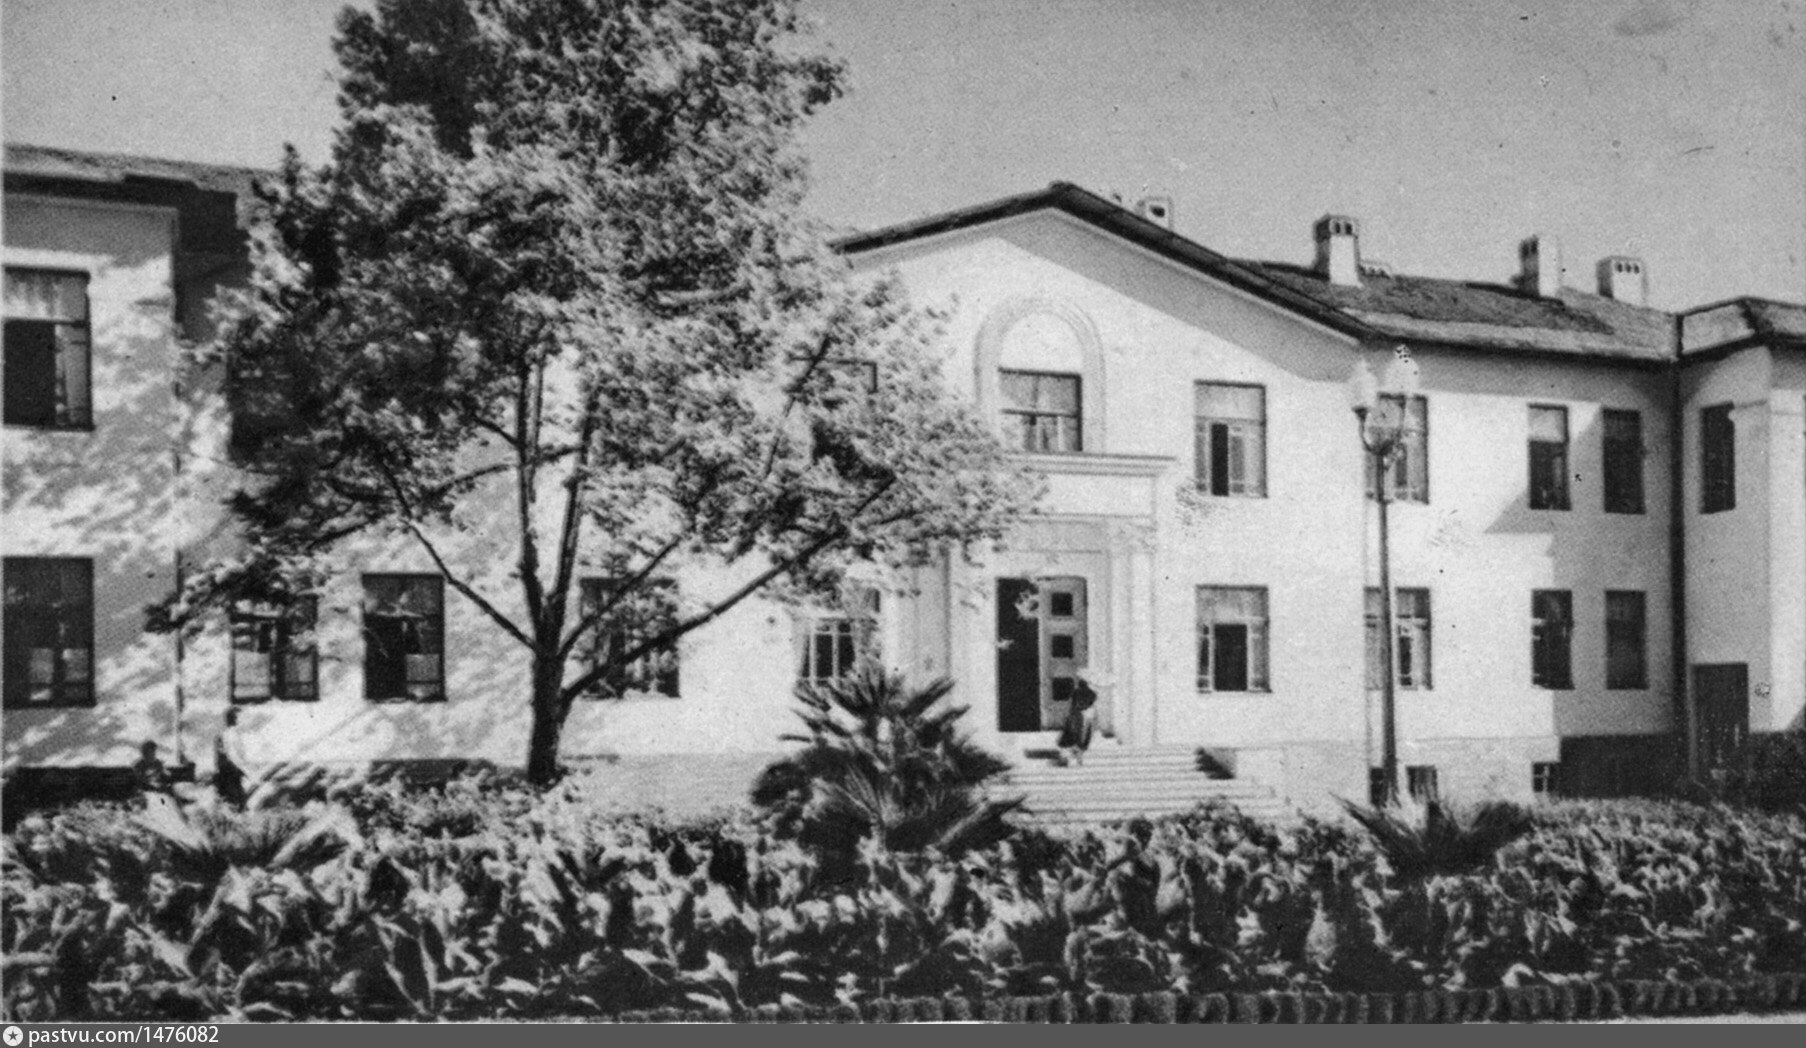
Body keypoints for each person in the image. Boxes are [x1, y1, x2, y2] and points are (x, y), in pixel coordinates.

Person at [1057, 675, 1098, 766]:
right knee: (1083, 734)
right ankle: (1079, 755)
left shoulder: (1076, 692)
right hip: (1086, 713)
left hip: (1077, 713)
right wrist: (1088, 705)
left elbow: (1072, 703)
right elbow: (1093, 699)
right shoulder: (1091, 693)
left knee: (1076, 733)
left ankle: (1075, 754)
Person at [213, 708, 248, 808]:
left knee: (233, 800)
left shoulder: (225, 735)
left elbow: (219, 758)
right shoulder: (230, 735)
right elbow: (231, 755)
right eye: (239, 717)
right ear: (235, 719)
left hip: (228, 770)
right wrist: (242, 769)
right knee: (236, 800)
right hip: (231, 771)